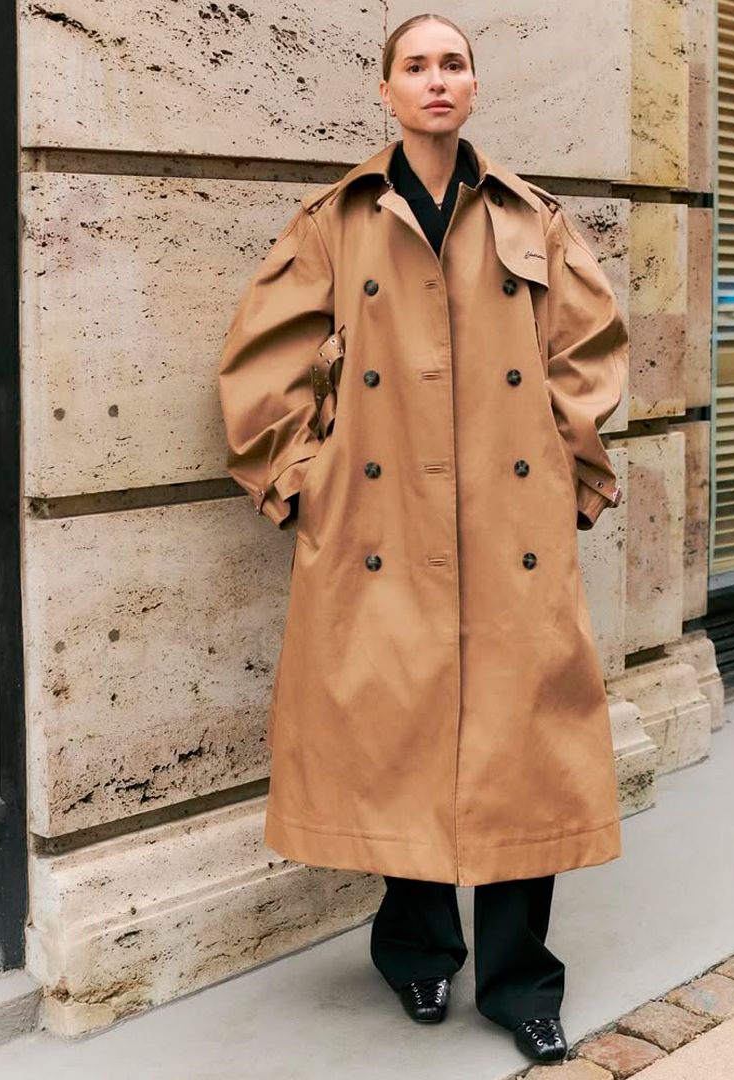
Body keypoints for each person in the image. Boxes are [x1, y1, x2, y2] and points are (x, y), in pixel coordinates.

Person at [215, 12, 629, 1067]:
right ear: (386, 92)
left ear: (475, 87)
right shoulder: (333, 220)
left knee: (522, 746)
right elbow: (261, 368)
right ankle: (415, 953)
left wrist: (571, 475)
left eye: (453, 63)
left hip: (509, 522)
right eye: (416, 66)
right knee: (396, 731)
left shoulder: (534, 216)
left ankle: (522, 982)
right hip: (381, 524)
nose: (436, 81)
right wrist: (308, 485)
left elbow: (590, 353)